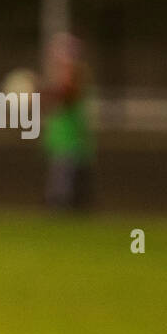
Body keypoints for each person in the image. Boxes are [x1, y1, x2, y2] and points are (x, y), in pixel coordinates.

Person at [40, 33, 94, 210]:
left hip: (72, 142)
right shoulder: (63, 81)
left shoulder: (74, 81)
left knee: (66, 192)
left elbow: (66, 94)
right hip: (64, 142)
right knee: (64, 188)